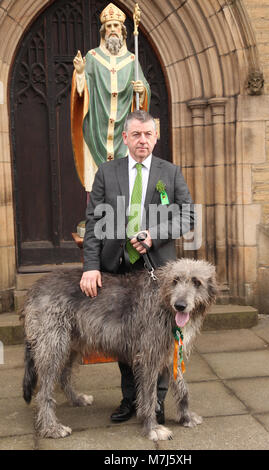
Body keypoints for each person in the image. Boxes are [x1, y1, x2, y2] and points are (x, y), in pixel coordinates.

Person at [80, 110, 195, 424]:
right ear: (125, 138)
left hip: (158, 274)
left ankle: (155, 403)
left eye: (148, 134)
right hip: (117, 271)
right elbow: (93, 223)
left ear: (155, 137)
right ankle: (130, 398)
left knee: (158, 339)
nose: (142, 140)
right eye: (136, 134)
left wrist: (154, 236)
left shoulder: (170, 173)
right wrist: (90, 267)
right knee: (123, 337)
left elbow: (188, 217)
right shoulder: (107, 172)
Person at [71, 2, 150, 192]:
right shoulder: (92, 57)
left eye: (116, 26)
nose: (112, 30)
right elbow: (81, 94)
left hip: (122, 132)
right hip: (96, 130)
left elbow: (143, 90)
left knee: (123, 186)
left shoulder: (131, 60)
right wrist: (80, 74)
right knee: (98, 185)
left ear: (122, 30)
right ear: (103, 31)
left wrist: (142, 89)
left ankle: (122, 220)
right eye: (108, 26)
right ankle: (99, 219)